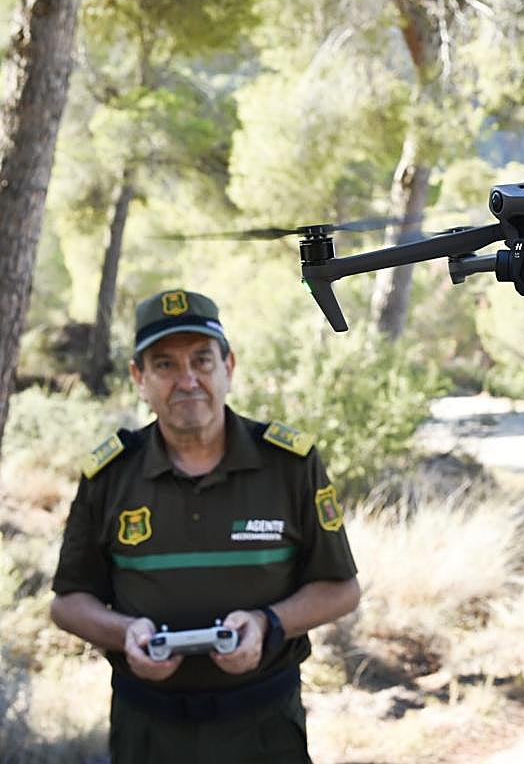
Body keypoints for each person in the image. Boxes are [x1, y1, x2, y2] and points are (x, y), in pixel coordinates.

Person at [50, 289, 360, 763]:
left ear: (228, 367)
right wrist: (126, 633)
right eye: (165, 365)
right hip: (146, 730)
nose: (188, 380)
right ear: (139, 378)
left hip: (263, 728)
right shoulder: (110, 474)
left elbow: (341, 590)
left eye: (202, 360)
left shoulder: (290, 465)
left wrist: (266, 624)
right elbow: (68, 603)